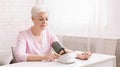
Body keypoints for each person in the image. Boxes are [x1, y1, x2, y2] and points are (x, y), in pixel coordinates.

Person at [14, 5, 92, 62]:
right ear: (33, 19)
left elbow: (61, 50)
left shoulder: (49, 33)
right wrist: (44, 57)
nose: (44, 22)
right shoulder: (23, 35)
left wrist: (79, 55)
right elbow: (19, 56)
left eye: (46, 19)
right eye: (41, 19)